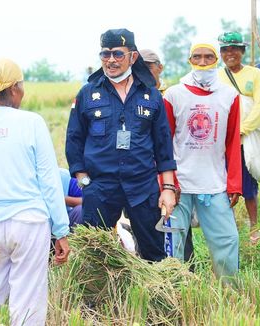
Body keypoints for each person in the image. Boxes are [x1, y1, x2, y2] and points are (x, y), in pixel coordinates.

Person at [0, 58, 70, 325]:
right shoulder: (32, 122)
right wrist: (61, 231)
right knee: (27, 301)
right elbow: (49, 181)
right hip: (29, 224)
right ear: (15, 88)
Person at [66, 28, 177, 262]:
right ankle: (97, 299)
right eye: (105, 55)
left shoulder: (151, 95)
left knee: (153, 253)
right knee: (94, 255)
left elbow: (163, 146)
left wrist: (167, 188)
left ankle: (152, 296)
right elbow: (74, 140)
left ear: (133, 57)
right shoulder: (88, 94)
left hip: (142, 186)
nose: (111, 60)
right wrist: (85, 181)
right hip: (100, 186)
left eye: (117, 54)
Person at [163, 42, 242, 278]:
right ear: (189, 60)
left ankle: (229, 294)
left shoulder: (229, 96)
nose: (203, 62)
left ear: (216, 60)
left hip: (214, 183)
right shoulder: (174, 95)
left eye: (209, 57)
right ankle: (173, 293)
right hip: (180, 185)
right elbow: (164, 143)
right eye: (197, 57)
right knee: (173, 247)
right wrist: (167, 184)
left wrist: (234, 184)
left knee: (227, 241)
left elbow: (232, 143)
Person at [140, 48, 195, 262]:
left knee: (179, 229)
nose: (144, 72)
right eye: (139, 68)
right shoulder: (133, 99)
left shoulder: (171, 97)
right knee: (147, 230)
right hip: (145, 175)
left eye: (149, 67)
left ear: (159, 68)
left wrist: (171, 182)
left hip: (172, 173)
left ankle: (184, 275)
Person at [218, 31, 260, 243]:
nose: (230, 53)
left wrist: (242, 130)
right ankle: (227, 226)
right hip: (222, 139)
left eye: (235, 49)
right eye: (226, 50)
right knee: (223, 182)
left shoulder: (255, 74)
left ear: (243, 51)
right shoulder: (216, 76)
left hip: (246, 137)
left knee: (248, 183)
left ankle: (253, 228)